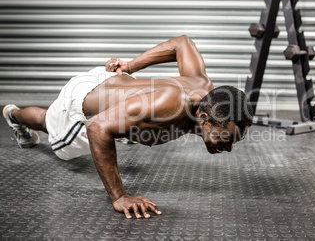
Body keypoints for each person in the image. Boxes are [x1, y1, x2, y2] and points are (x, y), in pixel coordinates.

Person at [3, 35, 253, 219]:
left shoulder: (203, 85)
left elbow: (183, 43)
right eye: (226, 138)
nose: (228, 148)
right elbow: (97, 127)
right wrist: (119, 197)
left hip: (111, 82)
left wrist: (131, 66)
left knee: (130, 124)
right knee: (50, 128)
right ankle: (14, 115)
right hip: (84, 105)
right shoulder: (170, 105)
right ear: (204, 118)